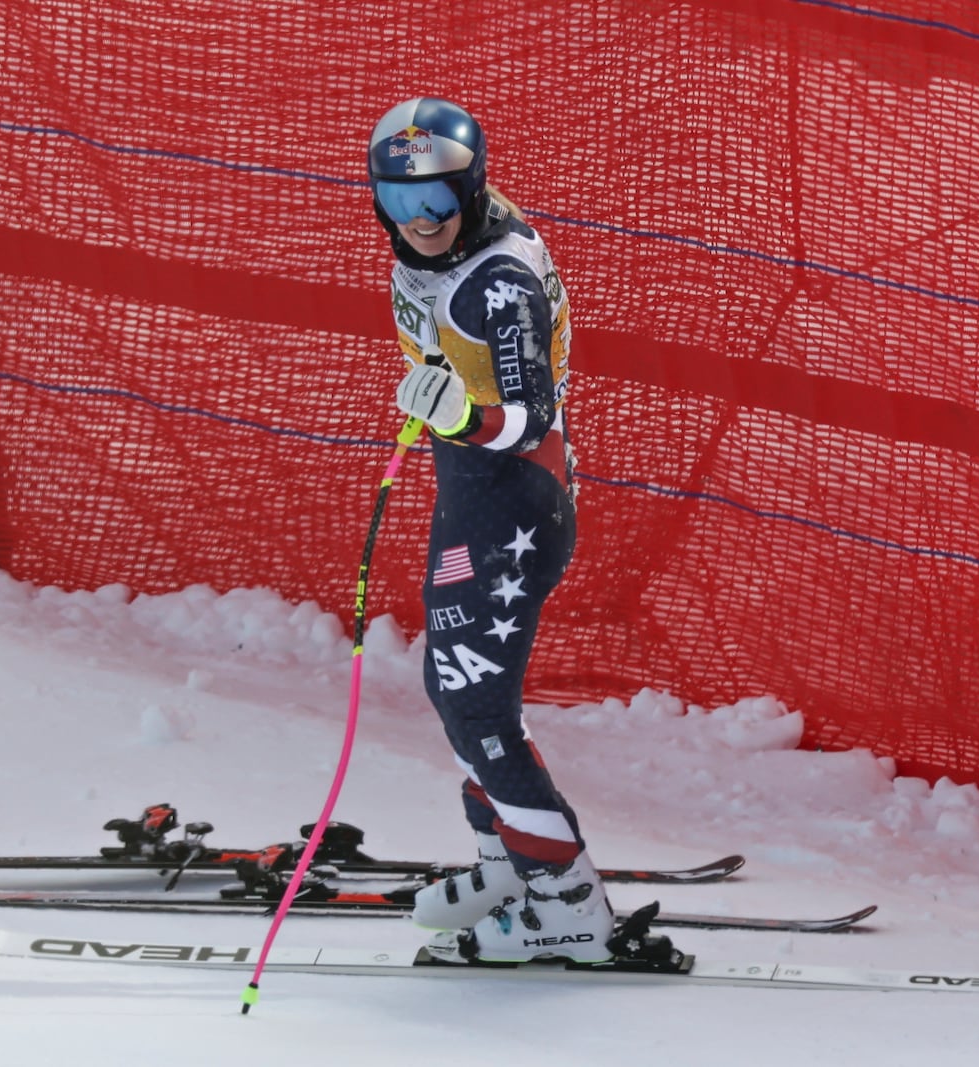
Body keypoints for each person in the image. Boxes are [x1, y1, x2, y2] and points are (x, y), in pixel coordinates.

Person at [366, 96, 615, 963]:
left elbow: (534, 418)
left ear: (471, 190)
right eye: (400, 202)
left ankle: (569, 905)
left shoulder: (495, 284)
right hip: (473, 498)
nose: (421, 220)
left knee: (479, 703)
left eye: (438, 199)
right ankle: (507, 859)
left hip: (513, 507)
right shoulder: (443, 252)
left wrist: (460, 416)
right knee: (450, 686)